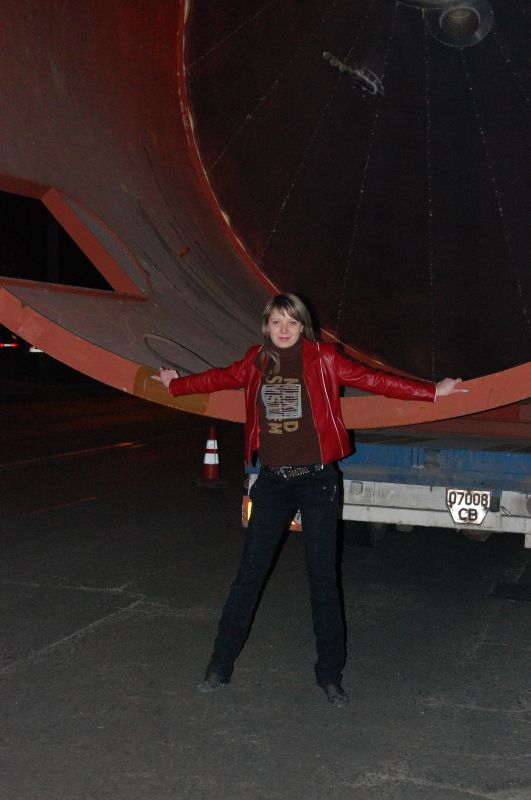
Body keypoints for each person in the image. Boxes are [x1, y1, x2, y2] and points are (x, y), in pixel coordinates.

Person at [153, 293, 466, 707]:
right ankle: (219, 665)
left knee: (322, 580)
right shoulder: (255, 362)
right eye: (277, 322)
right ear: (267, 327)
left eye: (292, 322)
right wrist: (176, 384)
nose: (284, 330)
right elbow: (217, 379)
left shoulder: (324, 359)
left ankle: (330, 676)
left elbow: (375, 380)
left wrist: (432, 392)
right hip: (272, 483)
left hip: (317, 483)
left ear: (303, 326)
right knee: (249, 576)